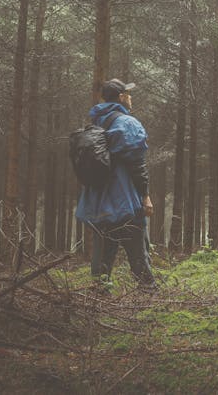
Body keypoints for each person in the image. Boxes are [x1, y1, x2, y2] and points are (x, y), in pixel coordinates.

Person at [75, 78, 156, 287]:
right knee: (137, 247)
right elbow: (137, 165)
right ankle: (148, 293)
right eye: (128, 94)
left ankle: (98, 294)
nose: (130, 97)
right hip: (125, 198)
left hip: (99, 199)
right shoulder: (128, 124)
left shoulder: (96, 123)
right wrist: (145, 195)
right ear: (121, 97)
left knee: (103, 250)